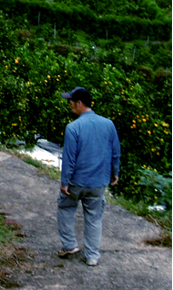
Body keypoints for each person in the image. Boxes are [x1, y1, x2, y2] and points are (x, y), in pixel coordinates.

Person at [57, 86, 120, 266]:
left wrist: (64, 182)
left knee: (65, 207)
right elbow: (115, 151)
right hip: (99, 182)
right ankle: (92, 256)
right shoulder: (108, 124)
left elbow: (69, 158)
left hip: (77, 181)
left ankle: (69, 245)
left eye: (71, 102)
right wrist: (115, 172)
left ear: (79, 103)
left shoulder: (72, 127)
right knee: (94, 217)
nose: (69, 105)